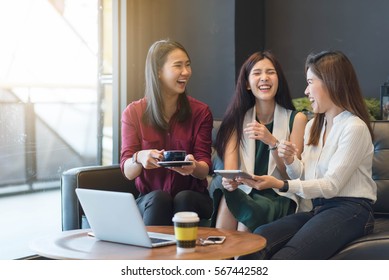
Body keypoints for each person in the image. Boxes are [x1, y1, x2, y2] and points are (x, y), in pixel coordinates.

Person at [238, 51, 377, 260]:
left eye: (310, 82)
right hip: (319, 207)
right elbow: (303, 177)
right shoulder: (314, 126)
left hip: (352, 210)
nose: (306, 90)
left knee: (289, 257)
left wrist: (279, 184)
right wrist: (290, 160)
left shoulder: (353, 127)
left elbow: (331, 186)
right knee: (257, 240)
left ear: (331, 83)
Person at [211, 51, 308, 232]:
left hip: (278, 194)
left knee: (245, 215)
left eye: (270, 72)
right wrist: (229, 182)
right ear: (247, 84)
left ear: (278, 80)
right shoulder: (236, 120)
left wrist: (271, 141)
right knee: (229, 198)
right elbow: (231, 173)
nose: (264, 78)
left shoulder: (297, 119)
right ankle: (221, 258)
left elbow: (292, 176)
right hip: (246, 191)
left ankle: (243, 259)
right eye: (257, 73)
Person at [120, 39, 213, 226]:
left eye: (188, 65)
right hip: (150, 199)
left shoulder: (201, 112)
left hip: (193, 198)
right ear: (158, 72)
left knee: (184, 198)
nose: (186, 72)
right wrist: (139, 157)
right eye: (178, 66)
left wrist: (193, 167)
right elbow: (128, 172)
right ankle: (154, 255)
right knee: (159, 199)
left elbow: (204, 169)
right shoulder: (133, 113)